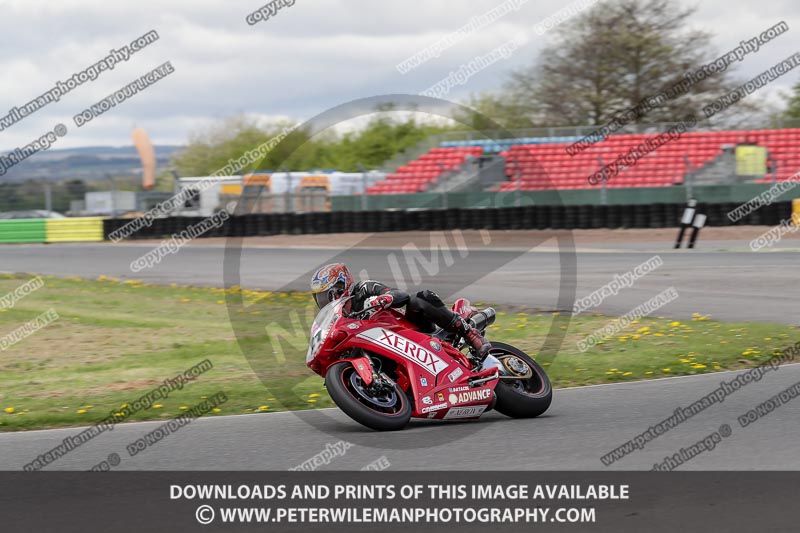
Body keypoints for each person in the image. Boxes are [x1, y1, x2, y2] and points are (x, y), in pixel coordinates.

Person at [310, 262, 491, 360]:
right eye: (320, 298)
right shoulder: (339, 318)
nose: (325, 302)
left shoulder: (364, 289)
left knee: (418, 298)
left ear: (343, 286)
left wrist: (384, 298)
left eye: (328, 295)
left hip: (412, 331)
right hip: (383, 346)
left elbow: (400, 295)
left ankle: (471, 334)